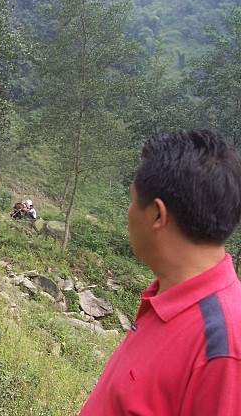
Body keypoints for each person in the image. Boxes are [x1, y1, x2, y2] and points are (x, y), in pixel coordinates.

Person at [80, 130, 241, 416]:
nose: (129, 212)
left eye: (132, 201)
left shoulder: (223, 347)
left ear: (157, 214)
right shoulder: (166, 298)